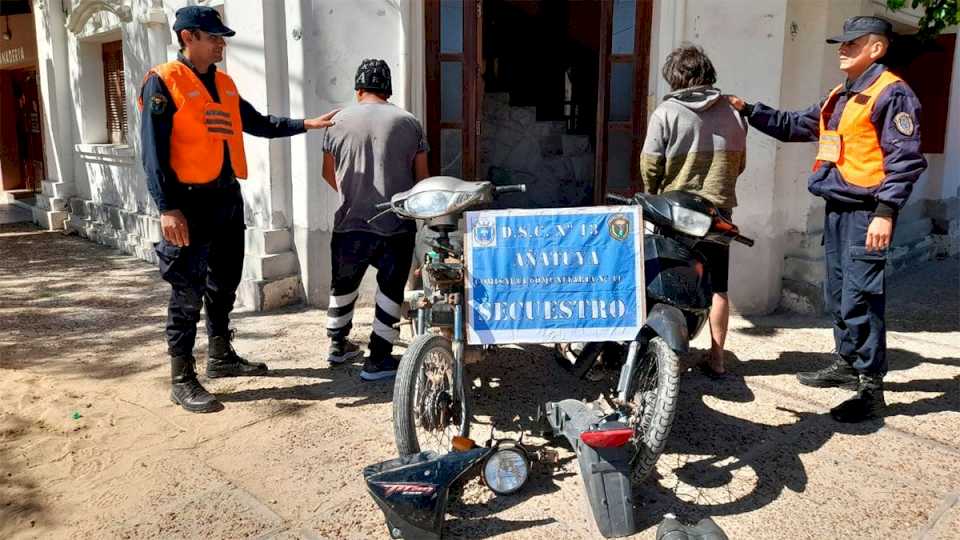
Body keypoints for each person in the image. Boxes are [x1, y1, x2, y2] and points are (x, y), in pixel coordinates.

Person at [139, 6, 339, 413]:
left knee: (224, 282)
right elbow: (153, 154)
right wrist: (167, 207)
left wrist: (307, 124)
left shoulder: (225, 85)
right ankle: (182, 377)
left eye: (222, 36)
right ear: (188, 36)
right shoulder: (163, 82)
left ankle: (220, 355)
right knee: (186, 291)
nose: (221, 43)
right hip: (188, 204)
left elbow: (260, 123)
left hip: (227, 199)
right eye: (213, 36)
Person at [728, 16, 926, 422]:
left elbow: (905, 162)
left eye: (852, 44)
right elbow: (798, 125)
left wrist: (885, 213)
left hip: (867, 212)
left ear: (877, 48)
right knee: (838, 293)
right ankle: (847, 364)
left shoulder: (891, 94)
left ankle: (870, 388)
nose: (842, 48)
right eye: (841, 42)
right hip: (838, 207)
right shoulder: (842, 95)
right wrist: (749, 109)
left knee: (862, 297)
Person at [640, 44, 748, 378]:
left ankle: (656, 353)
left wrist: (654, 196)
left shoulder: (666, 113)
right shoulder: (734, 111)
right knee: (717, 286)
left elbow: (650, 165)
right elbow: (739, 164)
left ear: (674, 78)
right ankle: (716, 358)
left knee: (661, 278)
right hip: (718, 213)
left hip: (675, 212)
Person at [321, 59, 429, 381]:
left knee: (343, 286)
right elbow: (422, 179)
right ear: (388, 90)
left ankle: (337, 347)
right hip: (395, 224)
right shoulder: (409, 122)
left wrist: (355, 193)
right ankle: (378, 359)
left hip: (349, 221)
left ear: (358, 90)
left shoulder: (336, 122)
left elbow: (329, 174)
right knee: (390, 290)